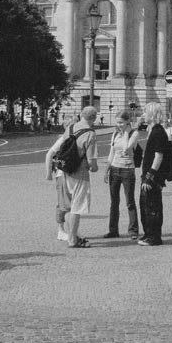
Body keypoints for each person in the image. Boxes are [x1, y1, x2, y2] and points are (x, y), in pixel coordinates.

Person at [44, 106, 98, 248]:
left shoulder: (71, 128)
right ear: (94, 118)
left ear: (81, 115)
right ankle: (72, 239)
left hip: (66, 170)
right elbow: (91, 160)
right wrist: (94, 168)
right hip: (80, 173)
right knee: (77, 207)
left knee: (68, 205)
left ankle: (71, 234)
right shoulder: (90, 134)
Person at [103, 110, 139, 239]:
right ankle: (113, 230)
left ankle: (133, 230)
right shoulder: (115, 134)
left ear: (128, 122)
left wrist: (126, 133)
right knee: (114, 201)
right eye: (117, 122)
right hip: (115, 168)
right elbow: (111, 153)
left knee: (129, 201)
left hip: (127, 169)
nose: (119, 125)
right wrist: (107, 170)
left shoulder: (134, 134)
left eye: (121, 122)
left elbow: (126, 149)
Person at [138, 102, 169, 246]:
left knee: (152, 206)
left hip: (153, 176)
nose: (143, 115)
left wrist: (149, 176)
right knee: (145, 205)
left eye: (145, 112)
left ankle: (154, 236)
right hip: (148, 173)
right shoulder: (153, 130)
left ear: (151, 114)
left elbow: (159, 156)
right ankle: (148, 233)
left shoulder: (158, 131)